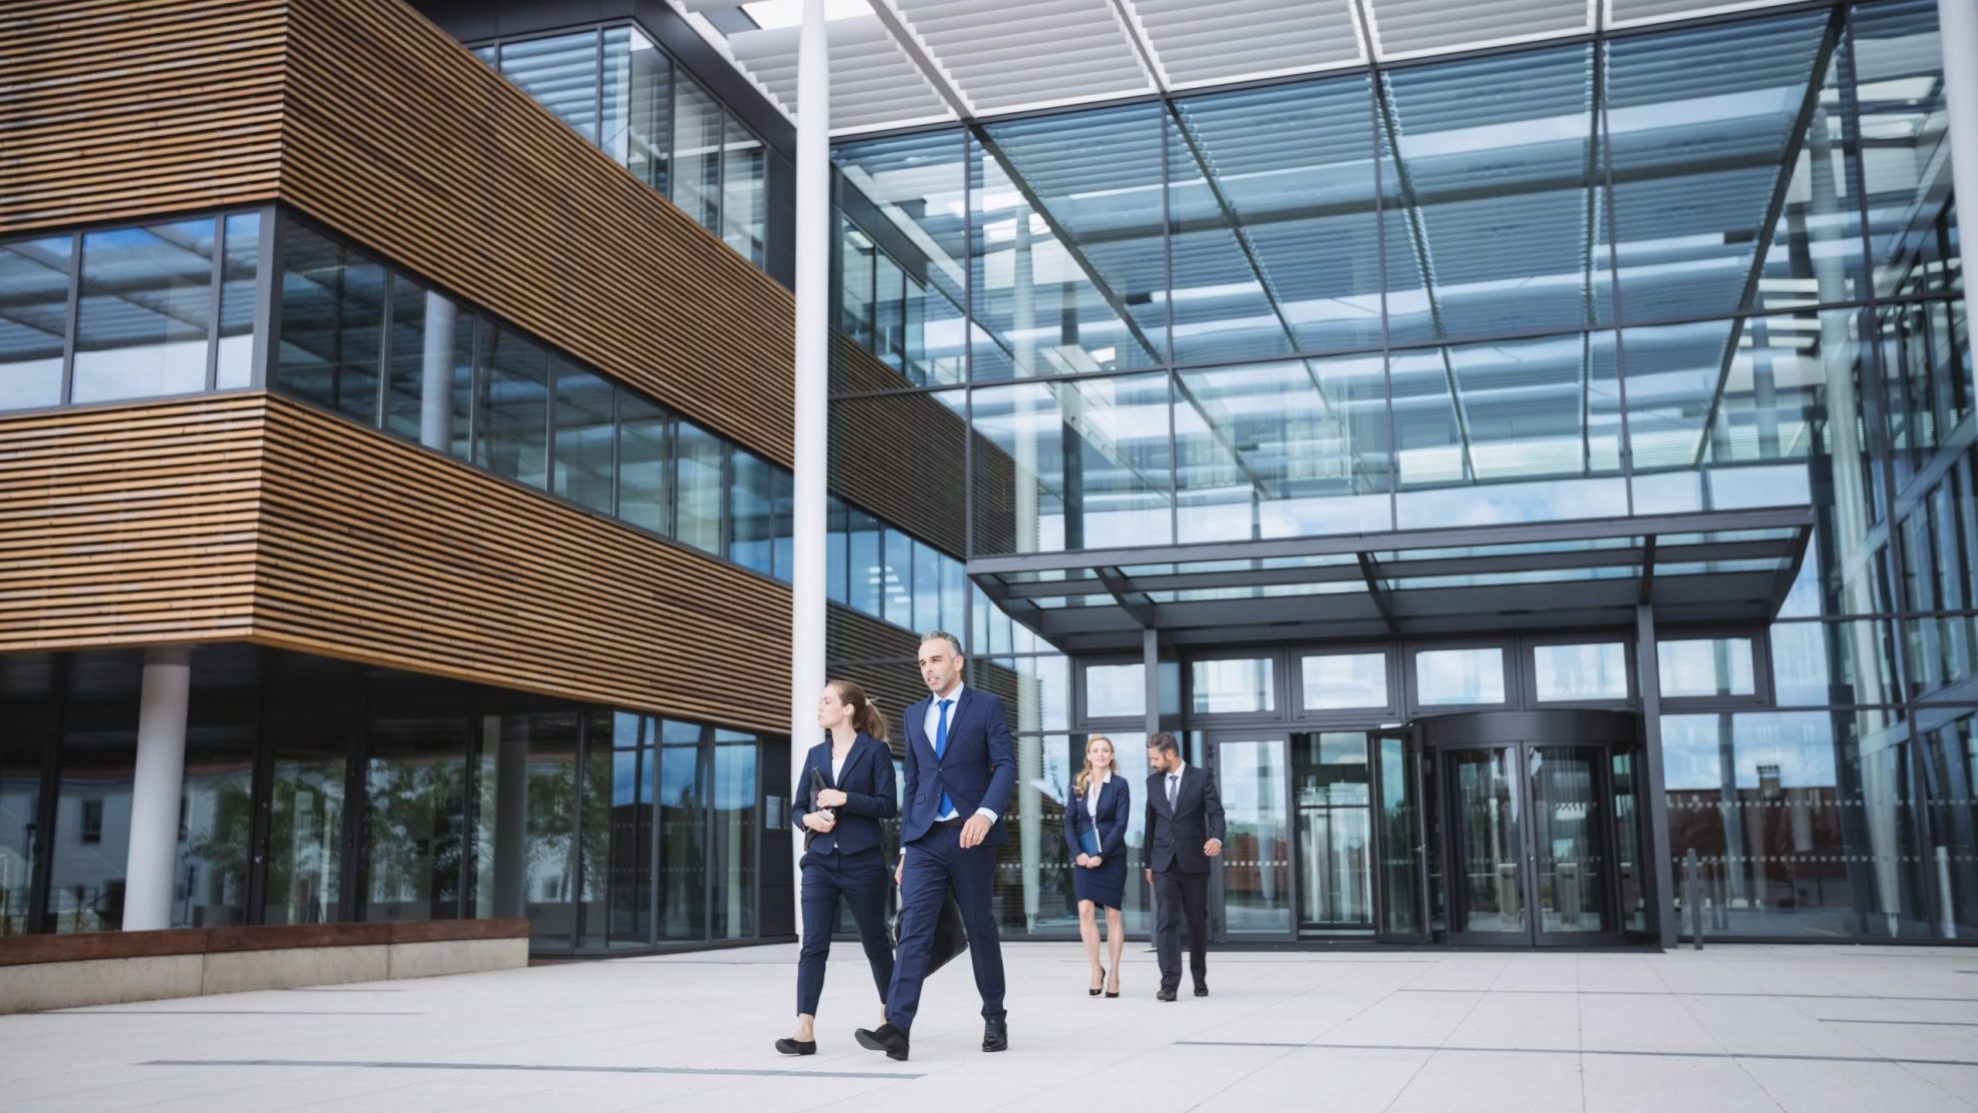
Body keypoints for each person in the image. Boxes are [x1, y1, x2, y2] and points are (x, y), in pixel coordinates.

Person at [855, 632, 1015, 1062]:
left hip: (970, 834)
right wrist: (906, 848)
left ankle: (994, 1015)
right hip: (925, 839)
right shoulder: (912, 715)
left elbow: (1004, 765)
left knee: (980, 928)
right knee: (913, 931)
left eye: (936, 660)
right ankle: (898, 1028)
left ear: (957, 662)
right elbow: (914, 782)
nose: (928, 669)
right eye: (923, 662)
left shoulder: (986, 707)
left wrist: (986, 813)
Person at [777, 681, 898, 1056]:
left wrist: (846, 798)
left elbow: (888, 805)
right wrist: (810, 818)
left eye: (827, 700)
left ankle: (893, 1019)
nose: (820, 706)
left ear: (848, 709)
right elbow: (797, 807)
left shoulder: (875, 752)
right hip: (820, 862)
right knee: (812, 945)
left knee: (876, 944)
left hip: (864, 862)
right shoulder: (815, 754)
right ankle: (804, 1029)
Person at [1143, 732, 1225, 1002]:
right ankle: (1169, 984)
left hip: (1194, 861)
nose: (1152, 763)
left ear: (1169, 754)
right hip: (1163, 862)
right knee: (1166, 921)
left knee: (1196, 922)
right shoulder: (1152, 783)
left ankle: (1199, 976)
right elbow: (1151, 825)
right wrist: (1148, 863)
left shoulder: (1200, 777)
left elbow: (1215, 813)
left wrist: (1215, 837)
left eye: (1155, 758)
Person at [1064, 735, 1129, 998]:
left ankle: (1113, 974)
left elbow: (1121, 823)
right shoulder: (1079, 784)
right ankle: (1095, 970)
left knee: (1113, 915)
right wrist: (1078, 853)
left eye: (1105, 750)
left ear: (1111, 755)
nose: (1100, 754)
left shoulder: (1120, 785)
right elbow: (1069, 822)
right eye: (1096, 750)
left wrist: (1101, 854)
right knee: (1085, 911)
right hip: (1083, 857)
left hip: (1111, 857)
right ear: (1088, 756)